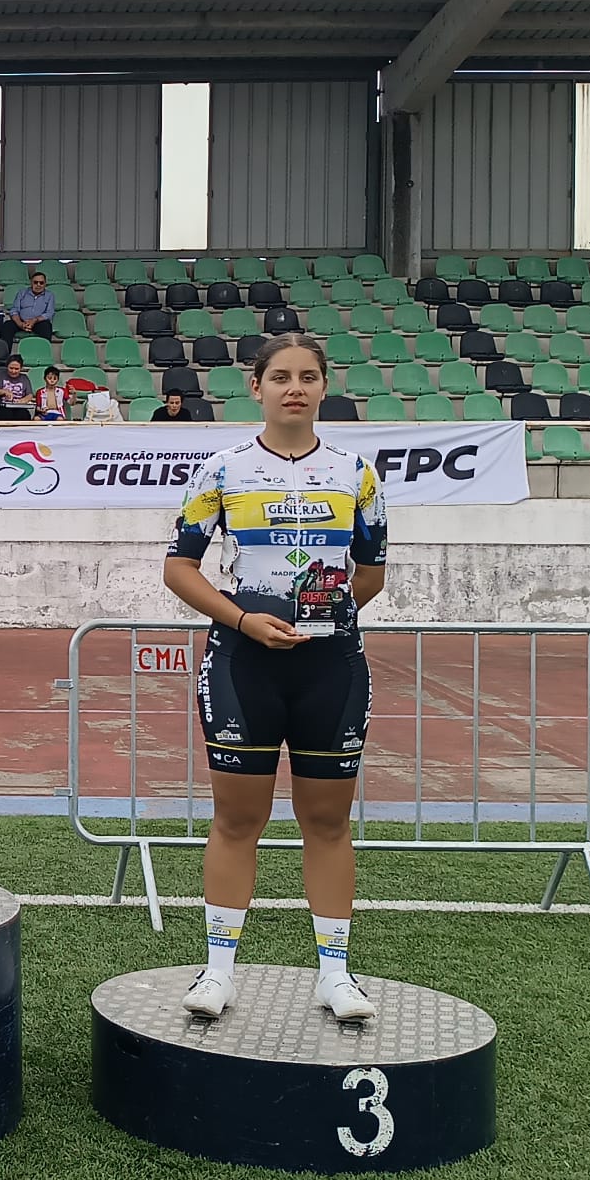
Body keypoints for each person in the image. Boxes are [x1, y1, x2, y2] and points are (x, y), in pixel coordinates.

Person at [163, 332, 388, 1023]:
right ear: (256, 387)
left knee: (327, 823)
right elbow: (179, 569)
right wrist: (243, 622)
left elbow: (371, 572)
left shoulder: (357, 474)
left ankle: (335, 975)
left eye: (309, 376)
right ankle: (220, 970)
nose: (295, 387)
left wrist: (325, 621)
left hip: (331, 667)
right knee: (238, 819)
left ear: (325, 387)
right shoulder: (222, 470)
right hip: (243, 663)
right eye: (281, 376)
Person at [0, 354, 34, 421]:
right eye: (11, 368)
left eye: (16, 369)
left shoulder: (24, 378)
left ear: (21, 368)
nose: (13, 371)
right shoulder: (0, 375)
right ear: (7, 366)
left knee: (24, 415)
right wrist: (3, 391)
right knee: (5, 414)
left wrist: (22, 401)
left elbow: (29, 395)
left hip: (18, 407)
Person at [9, 269, 57, 340]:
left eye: (41, 283)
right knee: (7, 326)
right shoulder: (22, 293)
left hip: (38, 322)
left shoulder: (49, 295)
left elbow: (49, 313)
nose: (38, 285)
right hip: (21, 321)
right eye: (35, 282)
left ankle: (44, 350)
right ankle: (5, 350)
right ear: (31, 283)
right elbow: (14, 310)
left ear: (45, 284)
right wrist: (20, 324)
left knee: (46, 327)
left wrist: (34, 320)